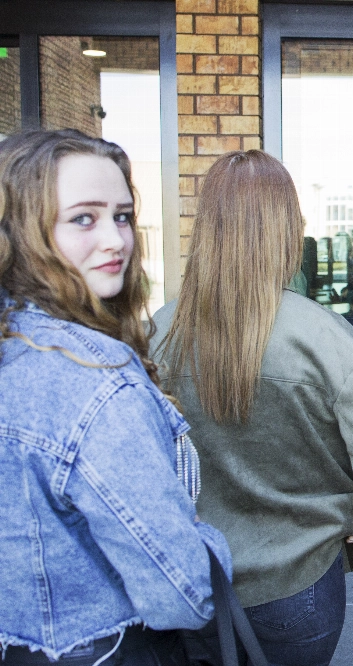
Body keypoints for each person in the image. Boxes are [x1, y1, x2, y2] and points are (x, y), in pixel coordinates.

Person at [150, 150, 353, 666]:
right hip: (297, 587)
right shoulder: (323, 336)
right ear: (287, 229)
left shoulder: (159, 332)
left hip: (191, 583)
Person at [0, 129, 231, 665]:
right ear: (22, 229)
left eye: (122, 216)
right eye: (84, 218)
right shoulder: (95, 380)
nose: (115, 240)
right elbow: (182, 592)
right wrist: (209, 546)